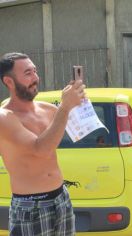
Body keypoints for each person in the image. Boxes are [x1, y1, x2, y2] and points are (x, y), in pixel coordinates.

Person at [0, 52, 85, 236]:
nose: (35, 78)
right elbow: (42, 149)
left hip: (61, 198)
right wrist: (65, 106)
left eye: (35, 71)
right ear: (9, 81)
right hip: (30, 207)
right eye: (27, 73)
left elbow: (80, 128)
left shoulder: (47, 109)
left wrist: (77, 101)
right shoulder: (5, 118)